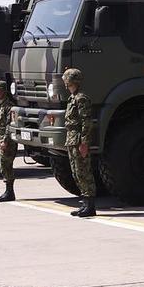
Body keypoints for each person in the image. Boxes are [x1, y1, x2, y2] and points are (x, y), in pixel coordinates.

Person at [62, 68, 97, 217]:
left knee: (84, 172)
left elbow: (86, 122)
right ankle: (85, 202)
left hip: (78, 140)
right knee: (77, 173)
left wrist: (84, 142)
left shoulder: (81, 98)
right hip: (71, 139)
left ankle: (90, 205)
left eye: (66, 79)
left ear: (72, 80)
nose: (65, 82)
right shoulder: (72, 98)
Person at [0, 80, 17, 201]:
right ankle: (7, 190)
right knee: (1, 165)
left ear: (4, 91)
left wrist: (5, 141)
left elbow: (9, 125)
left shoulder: (9, 106)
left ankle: (10, 192)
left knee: (6, 165)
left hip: (6, 141)